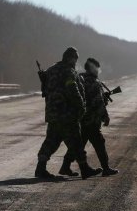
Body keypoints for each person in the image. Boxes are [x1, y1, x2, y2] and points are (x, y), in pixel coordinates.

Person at [35, 47, 102, 179]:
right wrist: (81, 106)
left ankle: (40, 168)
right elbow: (72, 89)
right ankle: (84, 169)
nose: (75, 62)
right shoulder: (68, 71)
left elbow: (45, 90)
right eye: (75, 59)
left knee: (50, 142)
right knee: (76, 142)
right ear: (71, 58)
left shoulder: (51, 70)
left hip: (53, 113)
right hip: (67, 115)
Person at [61, 58, 119, 177]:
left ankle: (65, 166)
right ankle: (106, 168)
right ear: (93, 68)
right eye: (97, 68)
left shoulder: (80, 78)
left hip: (80, 118)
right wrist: (105, 116)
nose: (98, 71)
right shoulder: (94, 82)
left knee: (78, 144)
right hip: (91, 120)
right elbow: (98, 103)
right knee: (99, 143)